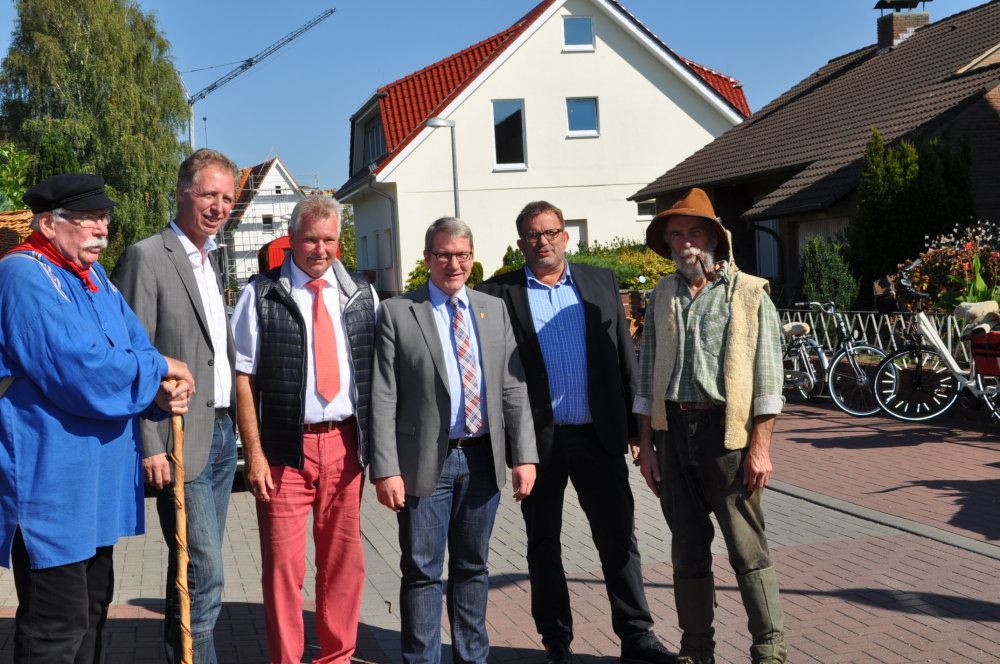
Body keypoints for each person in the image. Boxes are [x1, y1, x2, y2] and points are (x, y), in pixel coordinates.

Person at [0, 173, 192, 663]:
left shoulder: (96, 276)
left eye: (104, 218)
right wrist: (158, 370)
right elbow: (80, 369)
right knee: (55, 627)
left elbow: (135, 346)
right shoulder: (23, 274)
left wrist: (158, 391)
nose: (102, 229)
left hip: (96, 486)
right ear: (48, 223)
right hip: (50, 488)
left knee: (91, 612)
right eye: (88, 219)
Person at [478, 201, 677, 664]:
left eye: (551, 232)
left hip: (598, 435)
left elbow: (624, 358)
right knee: (543, 544)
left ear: (566, 236)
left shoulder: (599, 282)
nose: (542, 241)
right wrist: (511, 447)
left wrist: (638, 432)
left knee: (618, 538)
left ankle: (637, 635)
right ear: (520, 242)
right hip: (537, 444)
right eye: (533, 234)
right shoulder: (497, 294)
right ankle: (556, 641)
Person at [370, 217, 538, 664]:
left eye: (462, 255)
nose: (454, 264)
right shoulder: (398, 312)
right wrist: (385, 469)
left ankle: (471, 657)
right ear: (428, 258)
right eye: (444, 254)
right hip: (426, 462)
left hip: (483, 459)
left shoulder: (492, 309)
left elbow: (512, 388)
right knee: (422, 570)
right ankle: (421, 659)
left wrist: (524, 456)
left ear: (472, 257)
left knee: (473, 567)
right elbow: (383, 395)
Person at [633, 188, 787, 664]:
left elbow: (768, 380)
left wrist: (760, 448)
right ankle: (696, 650)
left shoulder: (749, 293)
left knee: (746, 548)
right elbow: (647, 375)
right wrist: (646, 446)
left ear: (715, 239)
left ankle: (769, 649)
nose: (685, 243)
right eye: (676, 235)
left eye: (694, 233)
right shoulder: (662, 294)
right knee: (687, 550)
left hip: (729, 436)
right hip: (672, 432)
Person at [230, 195, 378, 664]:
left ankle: (337, 657)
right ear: (292, 239)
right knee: (283, 569)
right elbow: (243, 378)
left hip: (345, 445)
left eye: (329, 240)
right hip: (283, 451)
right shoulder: (261, 294)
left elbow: (379, 373)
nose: (320, 249)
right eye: (311, 239)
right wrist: (254, 453)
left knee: (343, 565)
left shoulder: (362, 293)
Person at [112, 149, 239, 664]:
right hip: (178, 436)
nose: (219, 206)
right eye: (209, 194)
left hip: (222, 436)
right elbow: (130, 353)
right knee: (206, 570)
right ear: (183, 192)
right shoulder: (147, 256)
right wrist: (150, 441)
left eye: (227, 197)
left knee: (190, 567)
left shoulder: (211, 259)